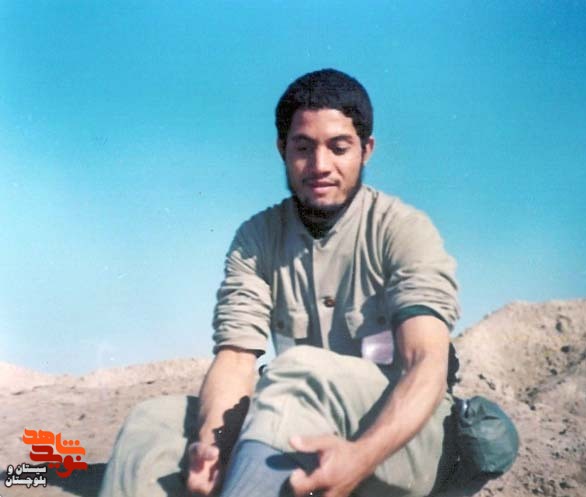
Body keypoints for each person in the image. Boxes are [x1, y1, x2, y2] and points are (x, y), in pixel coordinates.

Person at [99, 68, 505, 497]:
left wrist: (360, 456)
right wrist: (214, 445)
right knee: (153, 423)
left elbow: (426, 364)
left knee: (299, 370)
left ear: (366, 150)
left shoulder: (403, 230)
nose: (320, 165)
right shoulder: (257, 238)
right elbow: (235, 358)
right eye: (303, 148)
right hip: (292, 414)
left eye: (339, 148)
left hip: (400, 435)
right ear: (282, 149)